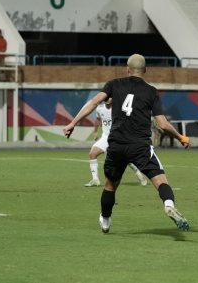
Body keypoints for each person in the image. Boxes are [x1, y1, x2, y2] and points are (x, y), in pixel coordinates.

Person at [63, 54, 191, 233]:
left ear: (127, 69)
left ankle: (105, 219)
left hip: (116, 145)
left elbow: (94, 102)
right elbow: (162, 124)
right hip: (140, 146)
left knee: (110, 185)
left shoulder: (114, 84)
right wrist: (180, 137)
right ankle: (169, 205)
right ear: (145, 70)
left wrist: (72, 123)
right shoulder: (151, 91)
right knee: (160, 180)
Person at [85, 98, 148, 187]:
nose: (107, 99)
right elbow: (98, 119)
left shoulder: (119, 109)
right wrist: (95, 132)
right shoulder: (99, 108)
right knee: (92, 154)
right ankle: (95, 179)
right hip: (106, 137)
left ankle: (137, 171)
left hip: (118, 137)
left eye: (110, 97)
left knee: (124, 158)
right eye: (106, 97)